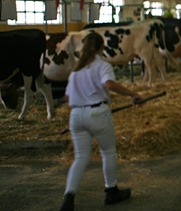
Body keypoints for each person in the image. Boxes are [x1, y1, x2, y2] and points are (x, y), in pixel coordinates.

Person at [59, 33, 143, 211]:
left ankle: (69, 197)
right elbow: (110, 85)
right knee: (108, 152)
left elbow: (67, 97)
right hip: (97, 113)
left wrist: (82, 99)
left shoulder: (75, 70)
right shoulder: (102, 65)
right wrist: (133, 94)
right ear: (102, 47)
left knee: (80, 158)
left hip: (76, 116)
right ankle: (111, 191)